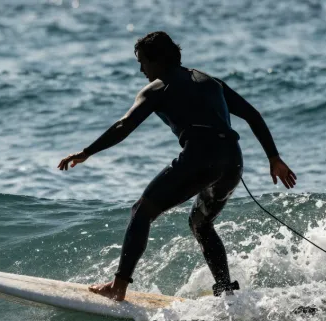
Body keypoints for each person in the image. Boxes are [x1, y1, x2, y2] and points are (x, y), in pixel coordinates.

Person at [58, 31, 296, 301]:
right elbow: (252, 114)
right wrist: (273, 158)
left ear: (157, 60)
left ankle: (118, 286)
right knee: (200, 223)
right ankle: (226, 293)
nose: (141, 69)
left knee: (141, 211)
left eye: (142, 62)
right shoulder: (211, 81)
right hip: (233, 159)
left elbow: (125, 125)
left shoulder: (158, 88)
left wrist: (87, 152)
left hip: (200, 156)